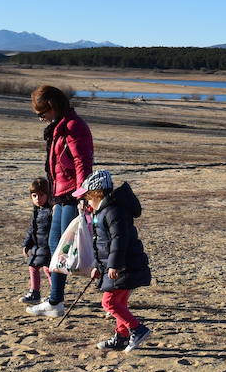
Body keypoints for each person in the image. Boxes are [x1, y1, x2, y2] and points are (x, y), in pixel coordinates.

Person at [26, 84, 93, 316]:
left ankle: (57, 301)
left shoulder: (74, 127)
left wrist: (83, 195)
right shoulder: (59, 127)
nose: (41, 118)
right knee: (56, 247)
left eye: (42, 113)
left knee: (66, 249)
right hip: (60, 195)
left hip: (72, 195)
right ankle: (55, 300)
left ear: (53, 107)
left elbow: (82, 163)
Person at [75, 170, 152, 351]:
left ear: (96, 194)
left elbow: (119, 239)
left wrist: (114, 265)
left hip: (124, 266)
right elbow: (102, 245)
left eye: (87, 197)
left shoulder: (113, 211)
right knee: (119, 304)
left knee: (109, 303)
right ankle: (121, 337)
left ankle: (137, 329)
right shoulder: (103, 212)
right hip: (120, 266)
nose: (85, 202)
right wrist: (97, 266)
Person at [20, 177, 53, 305]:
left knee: (48, 269)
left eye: (41, 195)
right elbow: (32, 229)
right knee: (34, 266)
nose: (38, 199)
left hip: (47, 247)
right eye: (34, 195)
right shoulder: (36, 211)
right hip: (37, 246)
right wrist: (27, 244)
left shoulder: (51, 211)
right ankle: (36, 292)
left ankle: (53, 293)